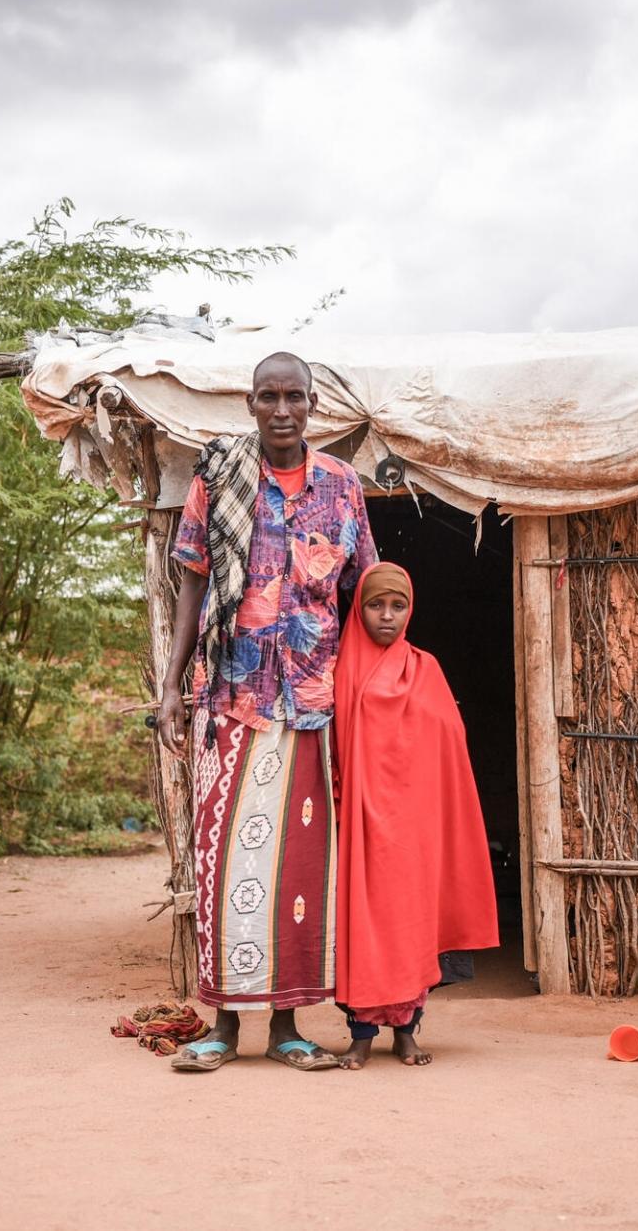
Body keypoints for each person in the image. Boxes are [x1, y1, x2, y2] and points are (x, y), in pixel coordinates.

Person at [157, 351, 377, 1073]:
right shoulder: (218, 478)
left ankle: (287, 1026)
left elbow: (365, 593)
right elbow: (190, 584)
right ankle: (224, 1025)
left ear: (313, 405)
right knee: (224, 864)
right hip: (232, 697)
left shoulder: (343, 488)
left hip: (313, 702)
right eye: (268, 397)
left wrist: (380, 693)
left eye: (295, 397)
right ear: (249, 403)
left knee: (299, 871)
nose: (282, 409)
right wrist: (170, 685)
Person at [332, 562, 500, 1068]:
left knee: (411, 921)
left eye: (397, 606)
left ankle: (406, 1030)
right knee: (361, 925)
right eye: (376, 605)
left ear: (411, 610)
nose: (387, 616)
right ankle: (361, 1034)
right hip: (357, 821)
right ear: (358, 609)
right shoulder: (339, 671)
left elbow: (449, 744)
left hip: (415, 823)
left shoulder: (425, 668)